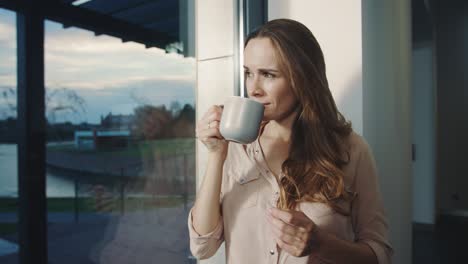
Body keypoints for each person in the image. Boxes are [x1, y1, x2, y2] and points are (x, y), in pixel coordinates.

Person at [188, 18, 393, 264]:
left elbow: (379, 254)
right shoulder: (235, 148)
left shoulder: (351, 150)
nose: (253, 89)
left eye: (268, 74)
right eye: (248, 73)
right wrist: (216, 155)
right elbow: (202, 247)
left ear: (302, 78)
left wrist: (321, 244)